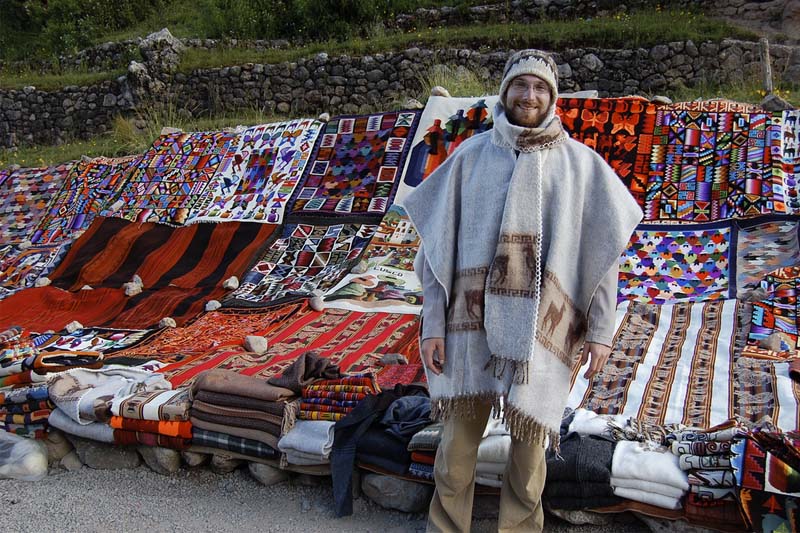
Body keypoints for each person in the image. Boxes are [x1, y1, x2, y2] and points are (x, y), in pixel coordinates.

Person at [399, 49, 643, 532]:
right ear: (505, 91)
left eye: (539, 88)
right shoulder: (470, 158)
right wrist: (432, 324)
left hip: (540, 334)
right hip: (468, 328)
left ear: (552, 97)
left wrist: (600, 331)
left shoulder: (579, 167)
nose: (528, 95)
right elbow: (433, 251)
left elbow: (602, 256)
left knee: (529, 463)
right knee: (455, 455)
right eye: (520, 85)